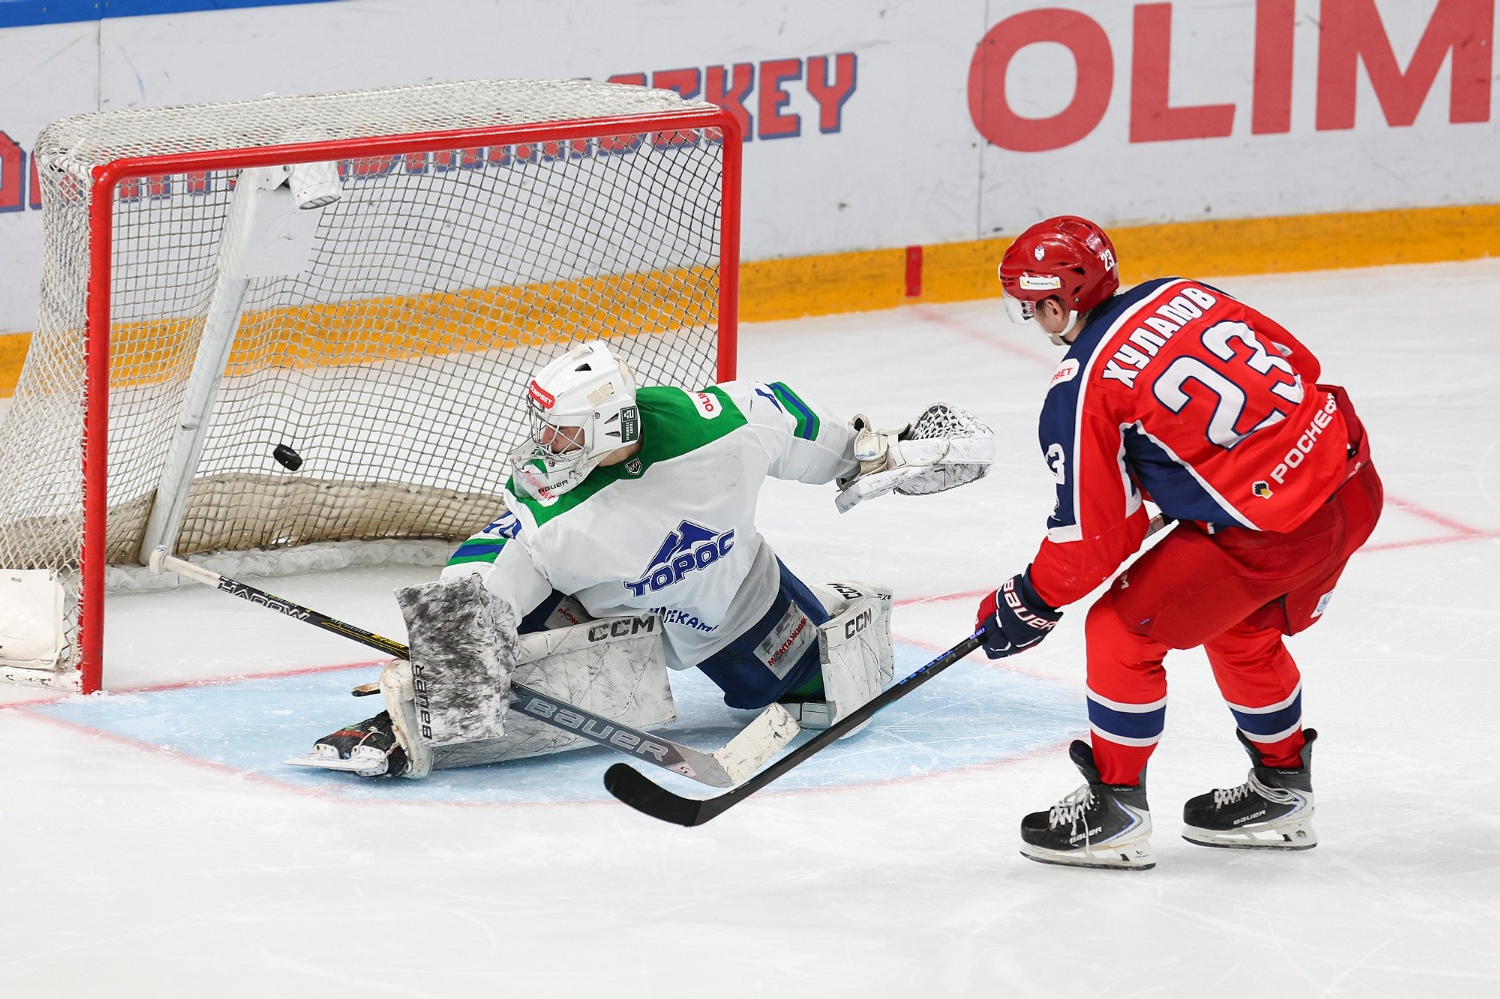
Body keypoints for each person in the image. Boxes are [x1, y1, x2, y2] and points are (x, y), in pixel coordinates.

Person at [303, 340, 992, 778]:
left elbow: (810, 428)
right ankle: (395, 721)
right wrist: (448, 659)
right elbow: (486, 561)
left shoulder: (724, 425)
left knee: (827, 701)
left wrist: (891, 453)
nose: (546, 445)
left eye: (562, 431)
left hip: (736, 602)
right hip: (612, 618)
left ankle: (819, 629)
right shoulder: (554, 507)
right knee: (480, 669)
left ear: (611, 426)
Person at [975, 216, 1383, 870]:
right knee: (1242, 628)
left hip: (1273, 532)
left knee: (1120, 628)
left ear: (1056, 304)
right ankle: (1282, 787)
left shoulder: (1082, 386)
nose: (1034, 319)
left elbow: (1093, 544)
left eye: (1032, 308)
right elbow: (1297, 367)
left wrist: (1027, 600)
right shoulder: (1184, 292)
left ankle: (1116, 808)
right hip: (1352, 482)